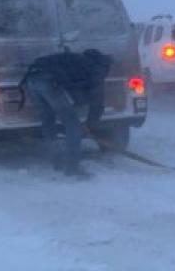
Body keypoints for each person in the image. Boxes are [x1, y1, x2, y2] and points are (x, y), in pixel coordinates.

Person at [20, 49, 112, 177]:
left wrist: (80, 109)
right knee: (72, 124)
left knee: (48, 120)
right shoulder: (97, 68)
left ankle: (56, 160)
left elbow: (77, 92)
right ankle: (72, 168)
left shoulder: (78, 60)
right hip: (48, 81)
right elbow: (97, 101)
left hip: (31, 79)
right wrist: (90, 124)